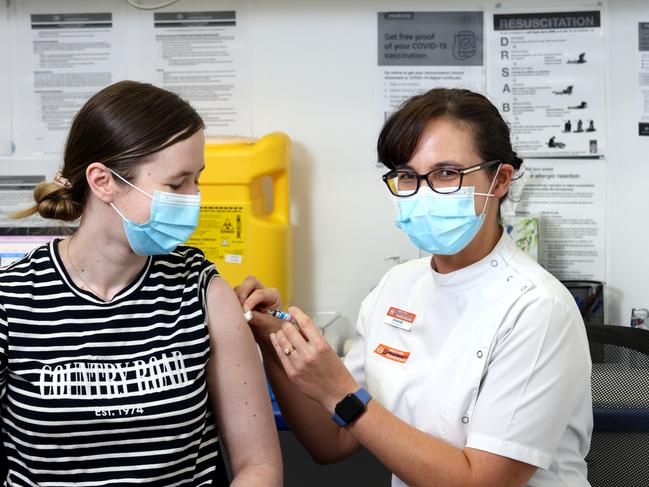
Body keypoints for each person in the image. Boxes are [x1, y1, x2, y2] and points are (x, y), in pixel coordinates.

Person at [236, 88, 592, 487]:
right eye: (406, 176)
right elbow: (331, 441)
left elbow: (482, 482)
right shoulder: (397, 286)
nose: (422, 193)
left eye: (446, 173)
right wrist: (273, 343)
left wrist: (339, 390)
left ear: (500, 180)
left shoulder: (538, 309)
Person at [0, 81, 282, 486]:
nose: (195, 197)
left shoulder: (202, 292)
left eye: (197, 179)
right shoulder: (12, 299)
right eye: (177, 183)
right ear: (103, 181)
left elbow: (259, 467)